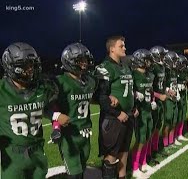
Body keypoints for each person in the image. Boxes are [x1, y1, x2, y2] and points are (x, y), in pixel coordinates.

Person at [0, 42, 69, 179]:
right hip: (13, 154)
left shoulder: (42, 87)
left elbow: (46, 107)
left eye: (32, 64)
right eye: (26, 65)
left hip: (37, 150)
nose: (31, 69)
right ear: (12, 67)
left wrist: (56, 117)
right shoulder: (2, 90)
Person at [53, 42, 96, 179]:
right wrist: (56, 126)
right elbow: (51, 105)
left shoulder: (89, 81)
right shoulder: (60, 81)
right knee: (74, 173)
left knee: (82, 170)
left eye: (85, 60)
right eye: (80, 60)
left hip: (85, 133)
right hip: (69, 135)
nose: (84, 63)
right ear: (69, 61)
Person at [94, 36, 135, 179]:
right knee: (111, 155)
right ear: (112, 49)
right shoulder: (105, 67)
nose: (125, 48)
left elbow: (129, 91)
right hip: (113, 118)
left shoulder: (124, 66)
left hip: (128, 115)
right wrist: (117, 113)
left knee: (124, 151)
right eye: (121, 46)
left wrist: (133, 107)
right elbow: (101, 96)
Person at [130, 49, 155, 178]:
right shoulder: (133, 74)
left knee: (147, 137)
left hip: (148, 110)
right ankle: (135, 167)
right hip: (139, 112)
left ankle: (143, 162)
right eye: (147, 59)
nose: (149, 62)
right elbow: (127, 91)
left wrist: (153, 100)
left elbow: (150, 91)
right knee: (140, 139)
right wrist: (134, 96)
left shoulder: (149, 75)